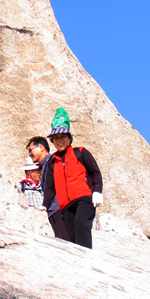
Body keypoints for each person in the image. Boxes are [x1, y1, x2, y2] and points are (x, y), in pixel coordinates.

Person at [42, 107, 103, 249]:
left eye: (63, 136)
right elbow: (50, 188)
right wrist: (44, 205)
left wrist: (97, 191)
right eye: (56, 138)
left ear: (70, 138)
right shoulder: (52, 162)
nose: (60, 140)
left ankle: (86, 258)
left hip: (84, 199)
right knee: (71, 235)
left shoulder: (81, 152)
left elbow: (95, 172)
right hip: (66, 206)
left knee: (81, 224)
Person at [27, 136, 69, 240]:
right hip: (54, 210)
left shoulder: (53, 162)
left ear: (41, 148)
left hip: (59, 210)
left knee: (65, 243)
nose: (29, 154)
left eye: (31, 150)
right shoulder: (45, 164)